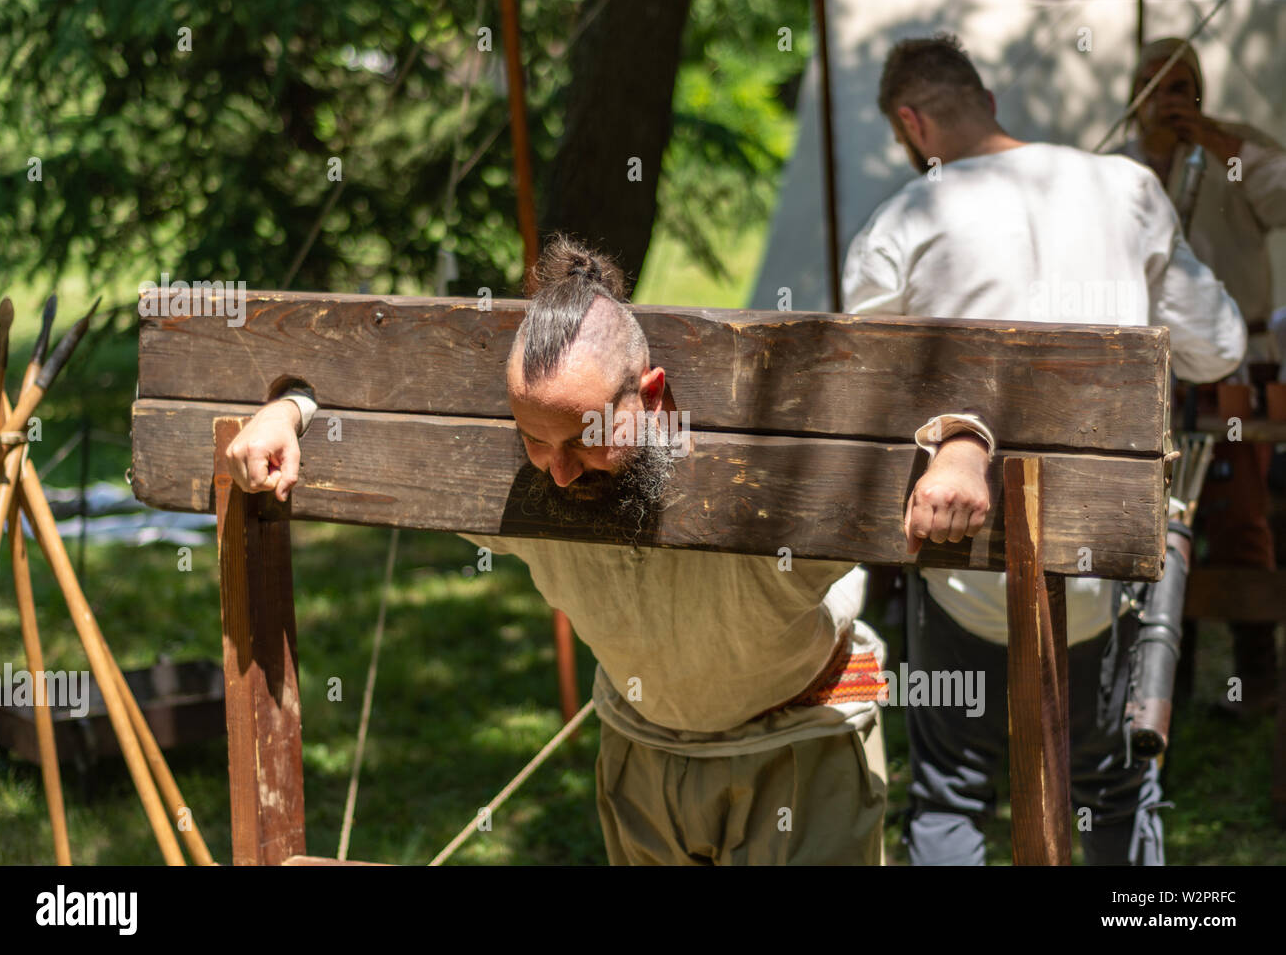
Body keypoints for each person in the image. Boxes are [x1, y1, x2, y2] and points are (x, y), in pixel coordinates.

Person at [222, 234, 997, 865]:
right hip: (643, 747)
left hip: (803, 741)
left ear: (654, 396)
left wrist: (961, 444)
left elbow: (961, 399)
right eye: (532, 440)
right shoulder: (526, 490)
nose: (557, 472)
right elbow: (348, 402)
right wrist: (291, 407)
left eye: (585, 439)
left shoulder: (775, 507)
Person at [841, 33, 1246, 865]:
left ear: (912, 123)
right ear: (989, 102)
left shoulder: (905, 216)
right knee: (1110, 787)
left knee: (949, 794)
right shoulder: (1131, 187)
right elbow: (1222, 348)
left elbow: (854, 389)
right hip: (1106, 573)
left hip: (963, 571)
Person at [1119, 38, 1286, 717]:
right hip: (1142, 370)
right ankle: (1163, 683)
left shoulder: (1236, 151)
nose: (1167, 99)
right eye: (1153, 86)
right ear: (1135, 97)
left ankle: (1256, 681)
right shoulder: (1115, 171)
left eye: (1180, 85)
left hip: (1236, 364)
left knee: (1242, 515)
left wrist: (1217, 142)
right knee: (1149, 518)